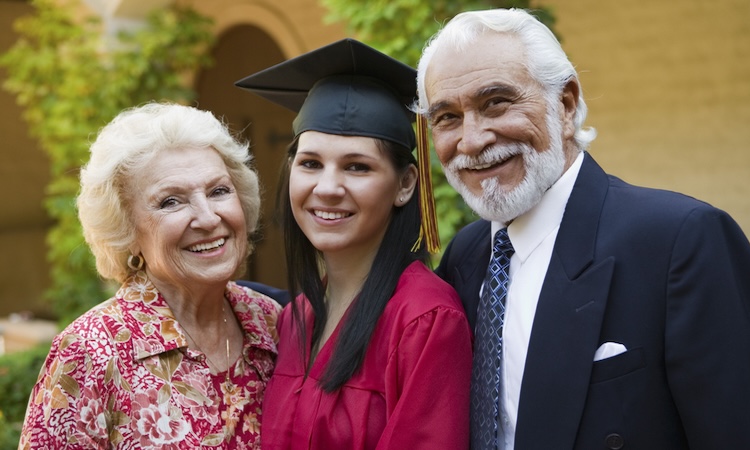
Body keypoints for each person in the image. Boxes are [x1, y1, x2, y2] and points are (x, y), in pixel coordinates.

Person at [416, 8, 750, 450]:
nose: (472, 140)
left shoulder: (681, 242)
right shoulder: (465, 259)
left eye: (496, 103)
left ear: (565, 103)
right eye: (446, 118)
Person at [235, 38, 472, 449]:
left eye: (357, 167)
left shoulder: (424, 320)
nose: (327, 188)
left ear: (405, 184)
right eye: (310, 163)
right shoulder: (296, 318)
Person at [18, 103, 282, 449]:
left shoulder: (271, 322)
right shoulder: (90, 354)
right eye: (171, 202)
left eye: (219, 191)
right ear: (127, 231)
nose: (207, 218)